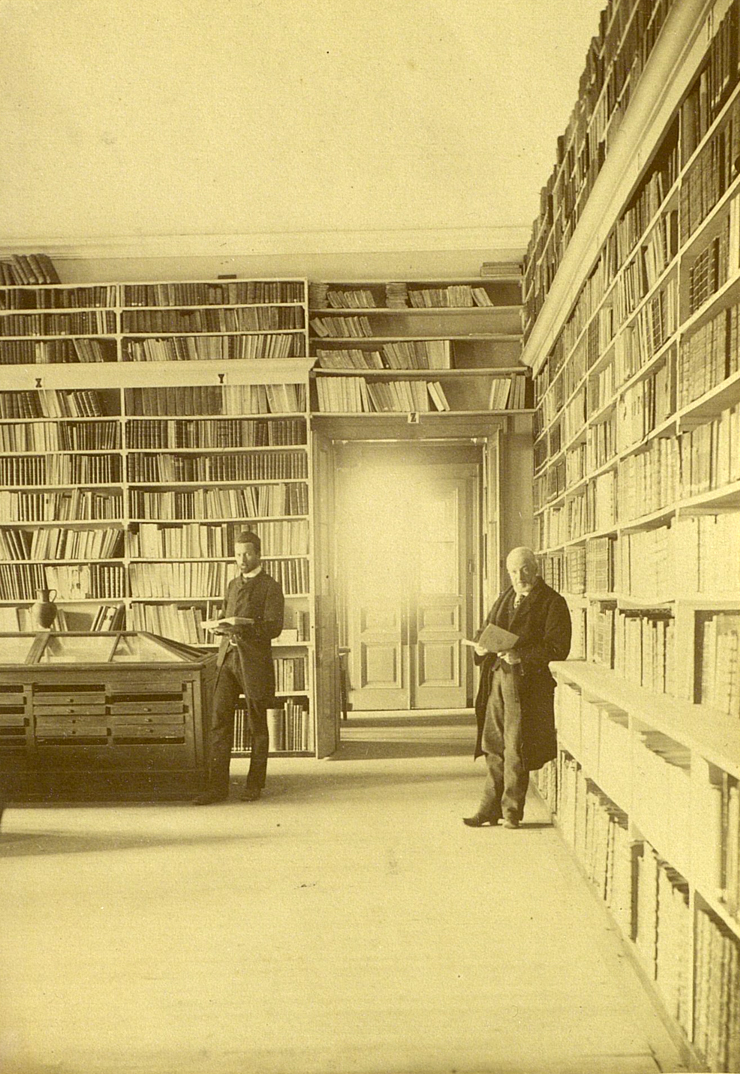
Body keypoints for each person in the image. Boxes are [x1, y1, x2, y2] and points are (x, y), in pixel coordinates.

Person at [463, 546, 571, 829]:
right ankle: (488, 809)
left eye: (524, 569)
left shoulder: (552, 602)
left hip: (527, 684)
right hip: (497, 678)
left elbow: (558, 648)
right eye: (513, 571)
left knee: (516, 747)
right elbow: (486, 629)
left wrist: (521, 655)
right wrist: (482, 646)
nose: (518, 576)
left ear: (536, 569)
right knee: (493, 744)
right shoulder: (505, 597)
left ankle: (511, 811)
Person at [193, 530, 284, 805]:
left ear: (258, 554)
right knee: (219, 723)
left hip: (254, 662)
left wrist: (244, 627)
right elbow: (224, 614)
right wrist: (220, 625)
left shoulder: (271, 586)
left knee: (257, 725)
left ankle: (254, 784)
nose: (241, 559)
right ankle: (217, 787)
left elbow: (274, 627)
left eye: (246, 554)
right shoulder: (232, 585)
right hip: (227, 660)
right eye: (237, 554)